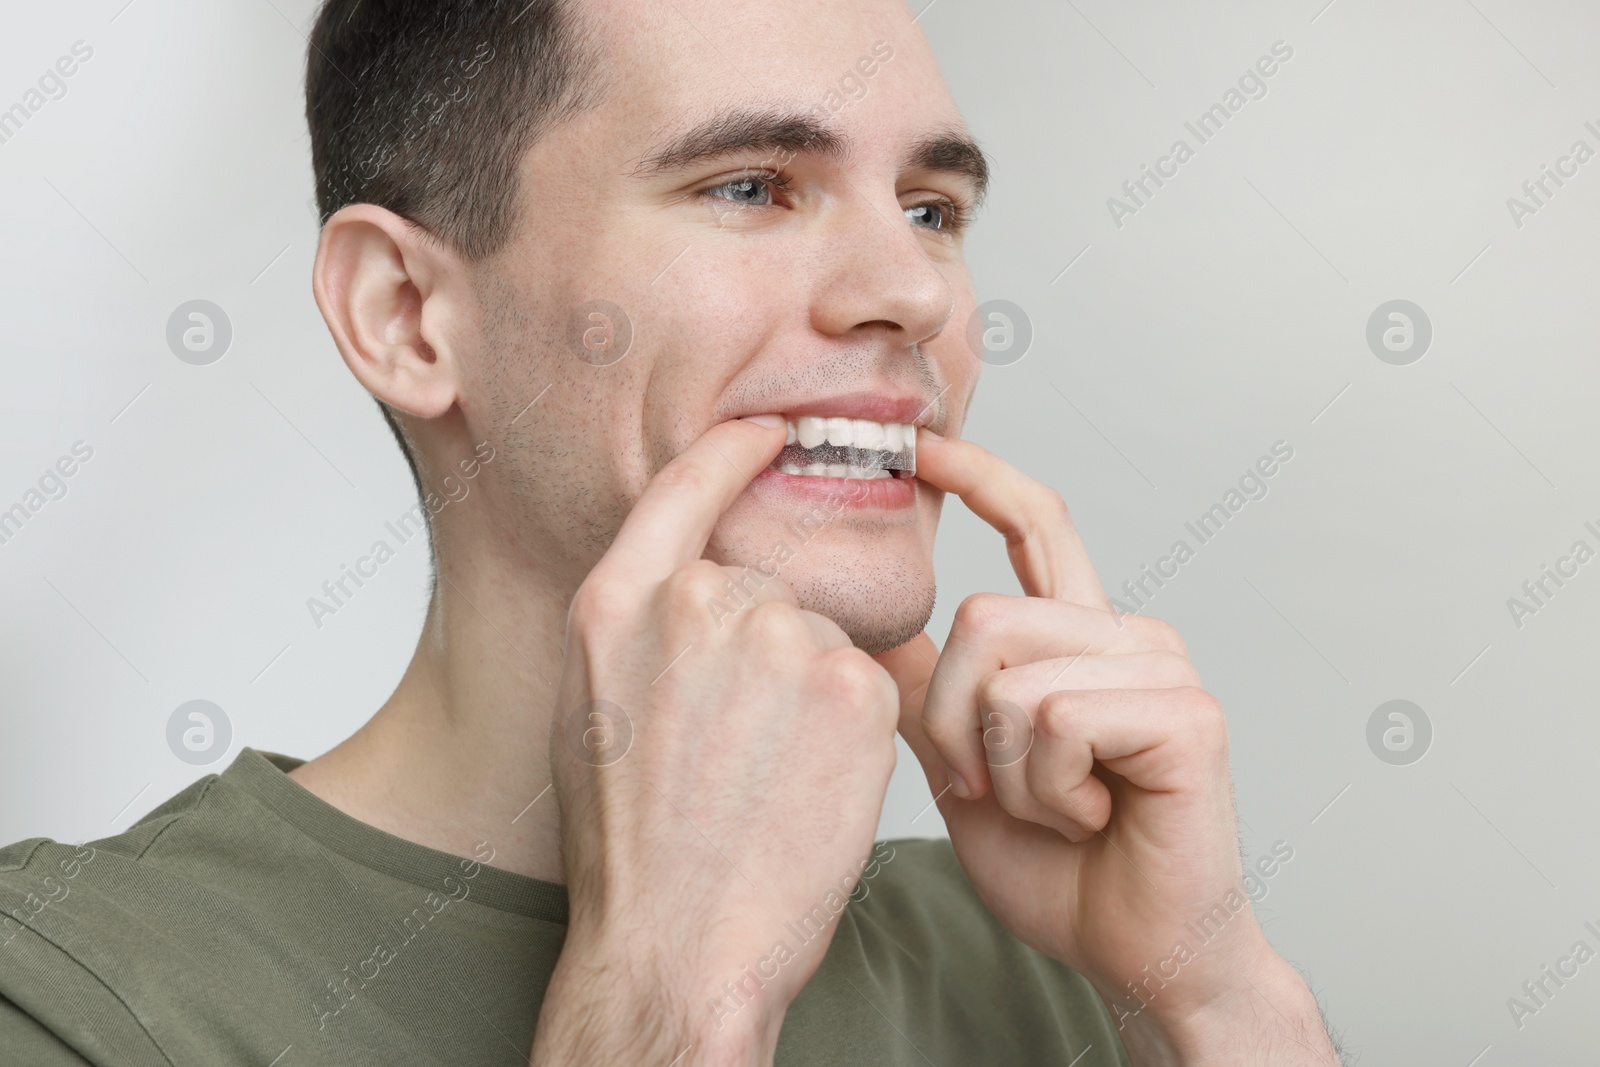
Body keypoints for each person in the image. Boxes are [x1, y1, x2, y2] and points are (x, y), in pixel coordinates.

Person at [0, 0, 1346, 1063]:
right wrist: (667, 1013)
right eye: (752, 186)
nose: (909, 294)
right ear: (407, 316)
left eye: (932, 211)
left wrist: (1215, 1002)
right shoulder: (74, 996)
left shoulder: (1046, 956)